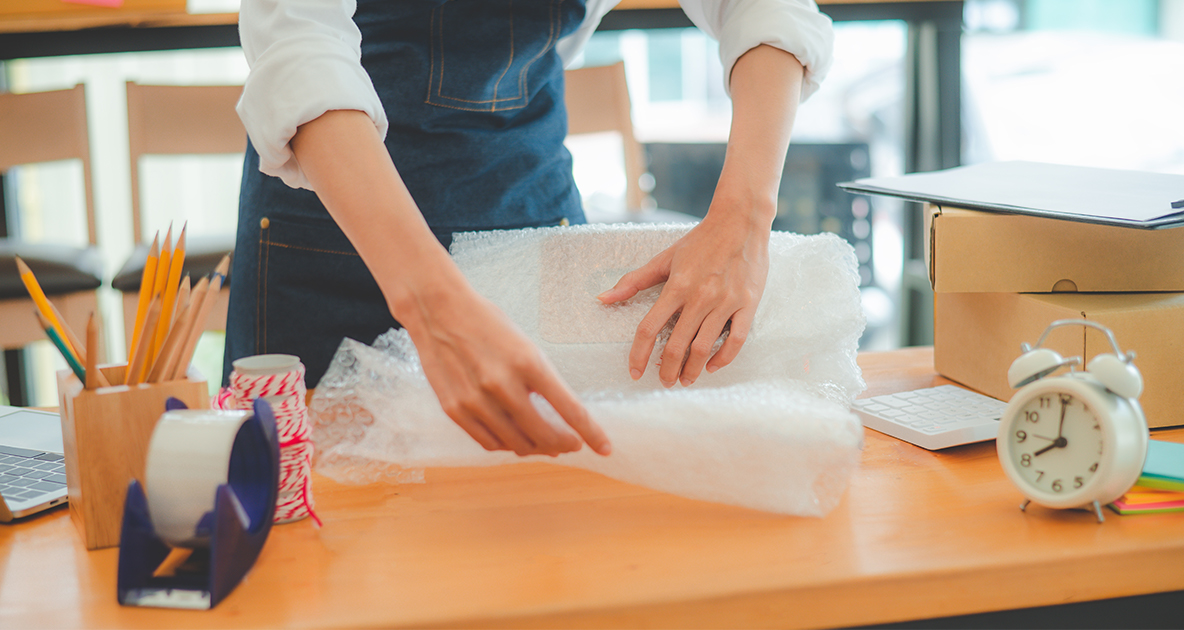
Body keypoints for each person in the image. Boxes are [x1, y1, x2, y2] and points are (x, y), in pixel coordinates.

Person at [225, 0, 833, 459]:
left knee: (543, 528)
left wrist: (744, 215)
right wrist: (435, 303)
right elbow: (300, 49)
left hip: (528, 209)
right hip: (330, 230)